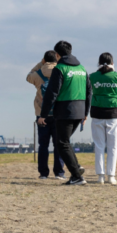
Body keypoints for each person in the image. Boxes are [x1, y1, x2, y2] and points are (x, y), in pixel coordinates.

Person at [38, 40, 91, 186]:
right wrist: (86, 113)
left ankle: (77, 177)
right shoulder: (82, 68)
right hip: (80, 110)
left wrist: (43, 115)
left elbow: (52, 93)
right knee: (64, 142)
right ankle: (77, 167)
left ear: (57, 54)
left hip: (65, 110)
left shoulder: (60, 69)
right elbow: (89, 91)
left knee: (61, 143)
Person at [27, 51, 64, 179]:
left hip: (41, 113)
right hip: (59, 113)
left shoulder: (37, 75)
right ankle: (59, 172)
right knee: (58, 144)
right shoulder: (61, 73)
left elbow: (28, 76)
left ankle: (43, 173)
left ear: (44, 60)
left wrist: (40, 64)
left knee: (43, 145)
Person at [89, 53, 117, 185]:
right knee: (113, 147)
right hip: (113, 114)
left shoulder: (92, 76)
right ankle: (111, 176)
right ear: (112, 63)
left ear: (98, 63)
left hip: (97, 112)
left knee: (99, 146)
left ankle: (100, 177)